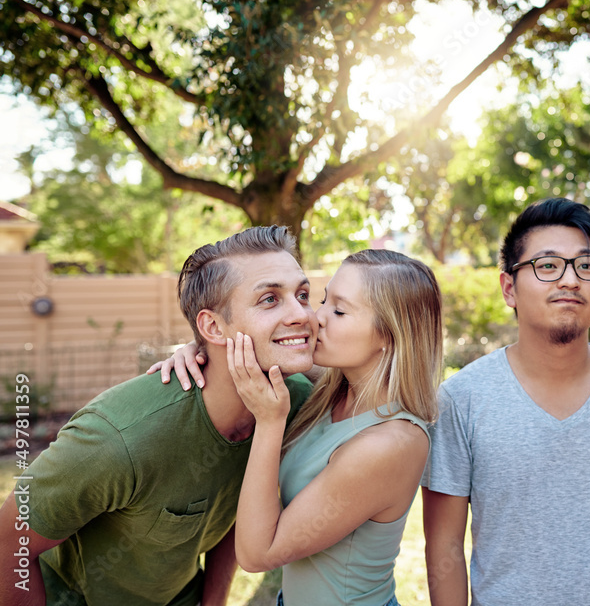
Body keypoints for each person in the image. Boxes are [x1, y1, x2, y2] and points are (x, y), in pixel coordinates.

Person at [0, 226, 316, 606]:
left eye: (302, 295)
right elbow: (10, 542)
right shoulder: (119, 437)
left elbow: (235, 512)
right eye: (270, 299)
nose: (302, 315)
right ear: (213, 327)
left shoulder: (292, 403)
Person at [421, 197, 590, 606]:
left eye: (586, 266)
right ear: (509, 288)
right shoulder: (461, 400)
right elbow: (444, 545)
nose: (570, 280)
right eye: (547, 266)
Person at [154, 249, 442, 606]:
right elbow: (258, 348)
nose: (315, 317)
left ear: (389, 334)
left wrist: (270, 421)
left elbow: (258, 554)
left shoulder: (390, 443)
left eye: (338, 310)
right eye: (322, 300)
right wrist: (200, 347)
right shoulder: (334, 389)